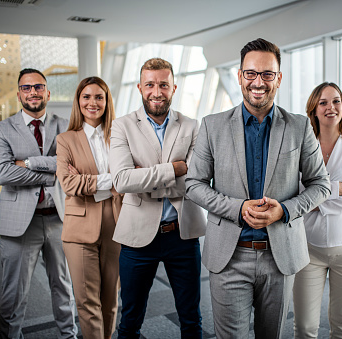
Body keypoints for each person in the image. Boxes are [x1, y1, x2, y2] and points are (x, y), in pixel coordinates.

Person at [185, 38, 331, 339]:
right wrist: (237, 208)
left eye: (267, 74)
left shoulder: (299, 127)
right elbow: (194, 184)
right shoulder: (212, 126)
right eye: (251, 73)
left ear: (278, 78)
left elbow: (321, 184)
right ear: (240, 76)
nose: (258, 82)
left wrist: (284, 210)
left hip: (280, 257)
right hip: (229, 256)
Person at [109, 58, 206, 338]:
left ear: (173, 87)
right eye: (150, 84)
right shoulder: (122, 126)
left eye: (163, 84)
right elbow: (122, 180)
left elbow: (196, 179)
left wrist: (146, 176)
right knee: (130, 321)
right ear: (140, 87)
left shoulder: (191, 126)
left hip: (182, 235)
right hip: (137, 236)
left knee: (191, 319)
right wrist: (174, 169)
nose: (156, 91)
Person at [0, 68, 77, 339]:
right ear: (19, 95)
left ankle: (69, 335)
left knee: (64, 287)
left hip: (60, 219)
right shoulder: (0, 129)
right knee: (14, 294)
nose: (33, 92)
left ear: (48, 92)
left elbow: (75, 166)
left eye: (38, 87)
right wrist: (55, 169)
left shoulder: (67, 125)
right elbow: (3, 173)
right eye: (26, 88)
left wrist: (26, 162)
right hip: (18, 224)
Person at [293, 82, 342, 339]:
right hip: (308, 250)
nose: (331, 107)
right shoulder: (300, 152)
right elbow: (292, 196)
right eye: (324, 102)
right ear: (314, 109)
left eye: (336, 101)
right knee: (304, 327)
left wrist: (315, 201)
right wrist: (337, 188)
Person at [56, 76, 122, 339]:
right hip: (79, 227)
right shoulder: (66, 139)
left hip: (116, 222)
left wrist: (89, 181)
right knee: (87, 302)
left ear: (107, 102)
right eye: (86, 96)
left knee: (111, 300)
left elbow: (133, 178)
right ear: (78, 101)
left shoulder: (119, 135)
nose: (92, 102)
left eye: (99, 97)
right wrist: (114, 179)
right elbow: (69, 184)